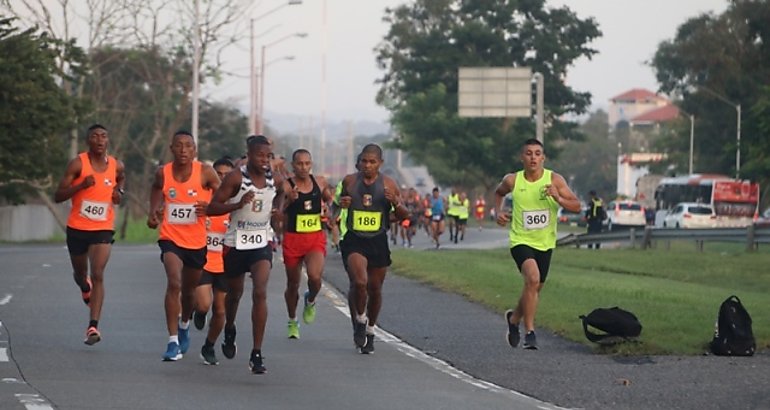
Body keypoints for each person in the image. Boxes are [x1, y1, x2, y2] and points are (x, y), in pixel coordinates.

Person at [207, 135, 284, 374]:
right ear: (248, 155)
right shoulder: (236, 177)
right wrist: (237, 204)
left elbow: (285, 193)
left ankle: (256, 353)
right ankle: (229, 328)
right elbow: (212, 207)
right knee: (234, 295)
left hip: (261, 241)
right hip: (235, 243)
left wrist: (277, 212)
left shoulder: (275, 179)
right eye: (259, 155)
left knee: (260, 292)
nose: (264, 160)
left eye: (268, 155)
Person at [494, 138, 580, 350]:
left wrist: (558, 198)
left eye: (537, 153)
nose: (533, 157)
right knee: (532, 279)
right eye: (529, 153)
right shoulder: (513, 180)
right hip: (521, 240)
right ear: (522, 157)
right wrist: (498, 211)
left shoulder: (555, 180)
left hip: (545, 243)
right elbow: (498, 193)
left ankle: (514, 319)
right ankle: (530, 332)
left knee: (534, 288)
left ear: (543, 158)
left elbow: (576, 206)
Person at [147, 130, 220, 361]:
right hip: (170, 237)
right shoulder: (163, 173)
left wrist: (208, 207)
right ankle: (172, 341)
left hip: (197, 241)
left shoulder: (205, 172)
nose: (183, 150)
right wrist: (153, 211)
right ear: (171, 148)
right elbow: (156, 189)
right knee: (174, 282)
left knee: (189, 292)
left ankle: (185, 324)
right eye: (179, 146)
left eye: (188, 146)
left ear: (195, 150)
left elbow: (223, 195)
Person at [54, 124, 125, 346]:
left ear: (108, 141)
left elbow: (120, 178)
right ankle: (85, 288)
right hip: (77, 228)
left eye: (104, 136)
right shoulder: (78, 163)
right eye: (95, 136)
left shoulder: (115, 165)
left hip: (103, 228)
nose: (100, 140)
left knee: (98, 273)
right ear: (88, 141)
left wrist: (118, 191)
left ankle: (93, 325)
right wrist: (81, 185)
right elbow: (58, 195)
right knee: (80, 274)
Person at [337, 143, 409, 354]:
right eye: (364, 161)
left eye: (372, 162)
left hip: (378, 240)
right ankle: (359, 319)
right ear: (358, 162)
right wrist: (341, 204)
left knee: (375, 289)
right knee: (359, 282)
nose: (367, 165)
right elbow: (334, 205)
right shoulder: (349, 182)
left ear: (380, 163)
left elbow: (405, 215)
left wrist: (395, 203)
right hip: (353, 239)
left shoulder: (389, 184)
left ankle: (370, 330)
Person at [280, 149, 334, 339]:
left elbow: (329, 199)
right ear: (293, 166)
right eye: (299, 164)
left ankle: (310, 300)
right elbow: (278, 211)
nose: (303, 167)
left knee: (315, 277)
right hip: (293, 239)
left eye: (307, 163)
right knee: (293, 283)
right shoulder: (286, 185)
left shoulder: (319, 182)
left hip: (314, 238)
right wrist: (289, 201)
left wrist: (327, 208)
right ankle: (293, 321)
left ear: (311, 164)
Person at [193, 157, 235, 365]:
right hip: (203, 261)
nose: (223, 178)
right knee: (204, 304)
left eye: (228, 175)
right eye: (219, 174)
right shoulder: (204, 200)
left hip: (226, 265)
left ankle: (209, 346)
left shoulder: (237, 205)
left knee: (220, 311)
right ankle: (198, 311)